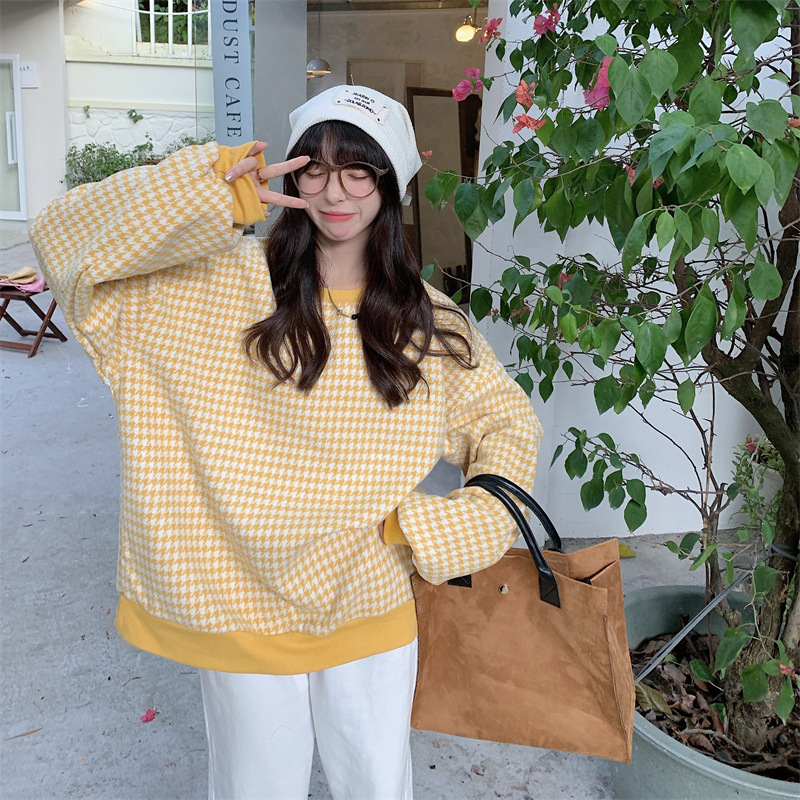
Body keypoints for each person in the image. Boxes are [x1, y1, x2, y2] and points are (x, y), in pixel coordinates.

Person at [31, 85, 542, 800]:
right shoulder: (213, 285)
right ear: (293, 174)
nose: (335, 191)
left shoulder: (427, 321)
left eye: (358, 171)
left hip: (368, 596)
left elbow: (507, 425)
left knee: (377, 788)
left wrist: (440, 527)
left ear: (390, 185)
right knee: (255, 789)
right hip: (238, 603)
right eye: (316, 168)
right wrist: (207, 188)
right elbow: (61, 237)